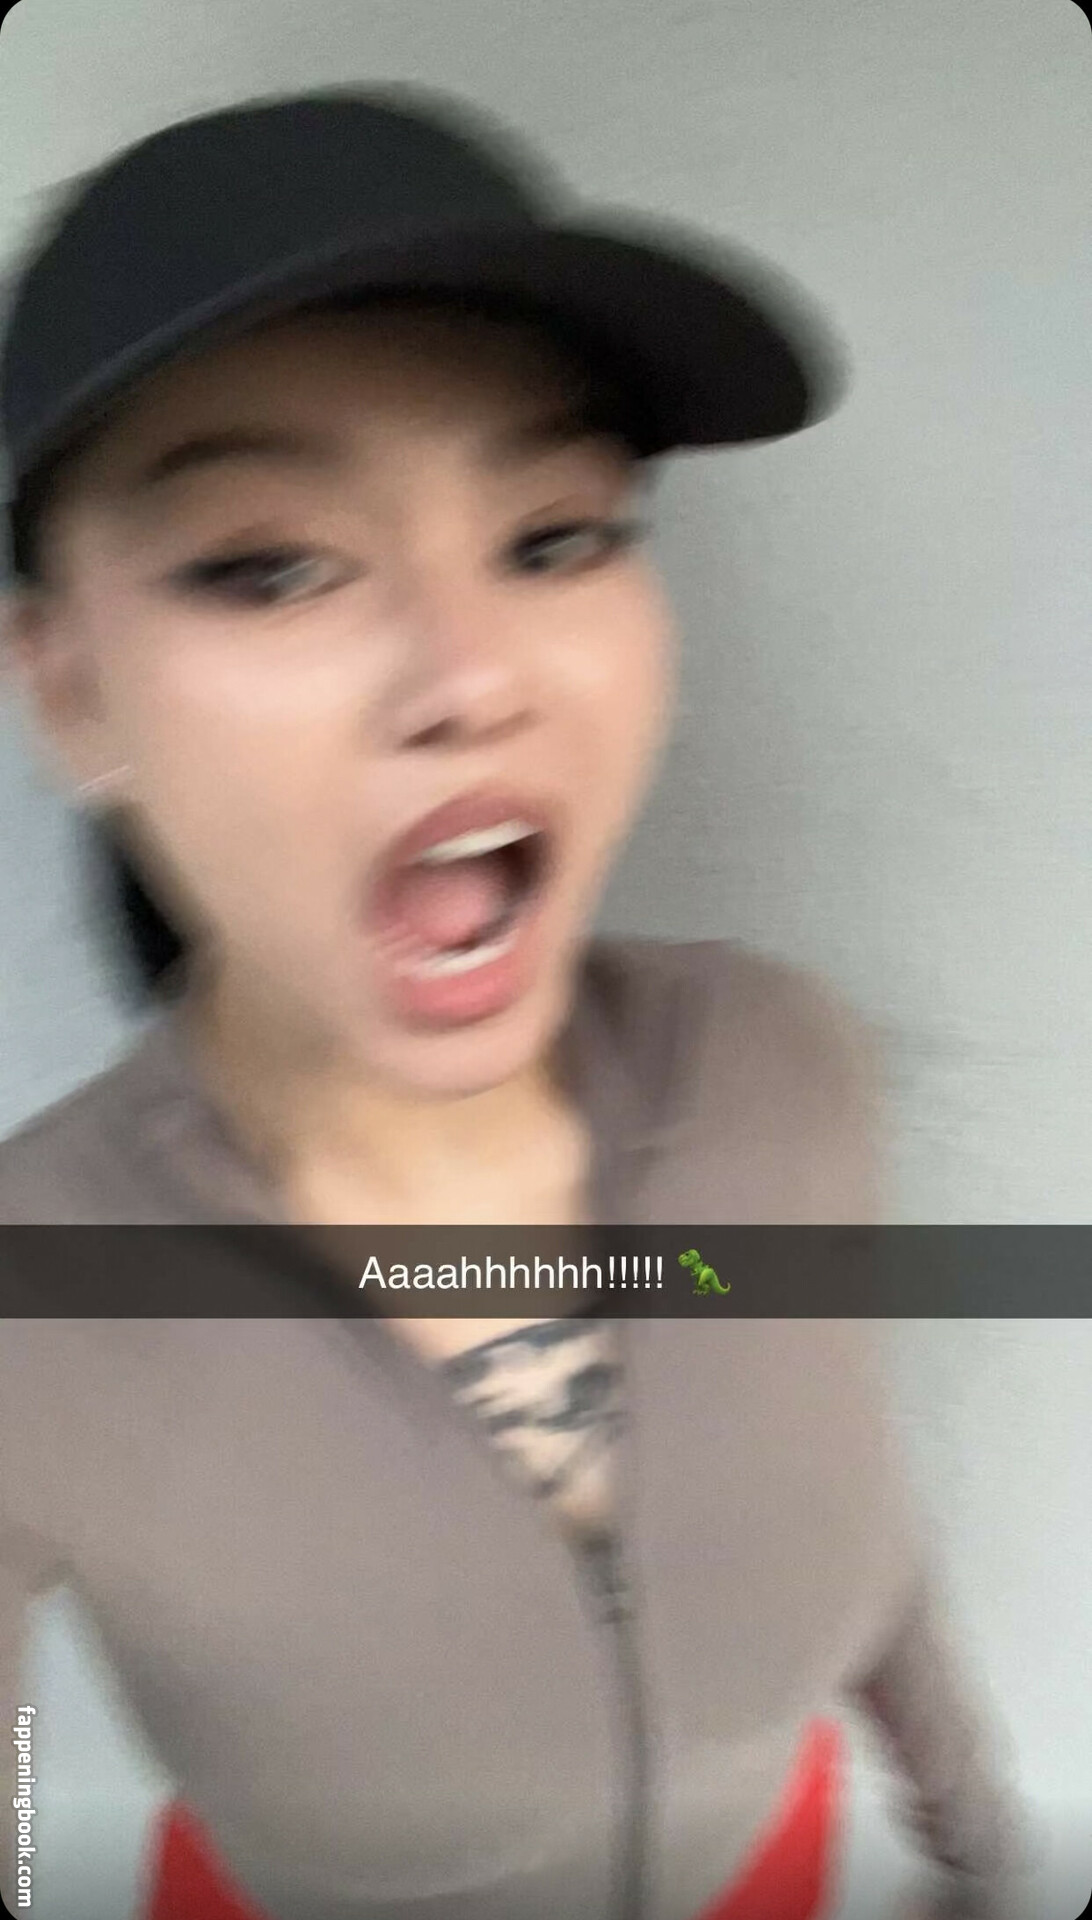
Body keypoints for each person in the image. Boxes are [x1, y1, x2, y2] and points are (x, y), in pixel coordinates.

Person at [0, 88, 1037, 1920]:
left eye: (557, 536)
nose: (471, 675)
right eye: (267, 563)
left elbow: (863, 1530)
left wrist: (977, 1846)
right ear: (71, 690)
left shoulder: (783, 1074)